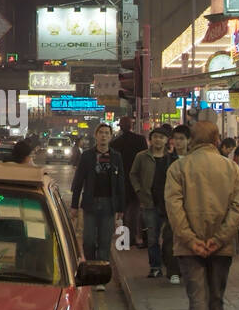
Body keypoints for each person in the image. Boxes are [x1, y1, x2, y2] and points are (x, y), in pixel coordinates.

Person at [163, 121, 239, 310]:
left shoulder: (178, 167)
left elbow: (174, 209)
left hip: (189, 249)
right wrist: (219, 239)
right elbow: (237, 209)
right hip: (220, 248)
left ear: (191, 140)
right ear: (217, 139)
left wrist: (191, 240)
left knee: (197, 300)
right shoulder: (232, 169)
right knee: (216, 299)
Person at [70, 123, 125, 289]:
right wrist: (74, 205)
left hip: (109, 204)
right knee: (88, 240)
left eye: (106, 133)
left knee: (104, 240)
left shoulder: (116, 156)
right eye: (100, 132)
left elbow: (121, 182)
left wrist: (121, 208)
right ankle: (92, 269)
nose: (103, 136)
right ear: (96, 135)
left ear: (110, 136)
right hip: (90, 203)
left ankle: (100, 278)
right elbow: (78, 181)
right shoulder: (87, 156)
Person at [130, 125, 175, 279]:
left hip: (168, 203)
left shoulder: (171, 158)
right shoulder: (142, 156)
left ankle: (169, 265)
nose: (158, 140)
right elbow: (133, 174)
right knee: (152, 237)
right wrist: (138, 191)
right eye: (155, 137)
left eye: (161, 137)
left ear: (166, 140)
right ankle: (155, 267)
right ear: (151, 139)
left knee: (169, 237)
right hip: (149, 203)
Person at [163, 125, 193, 284]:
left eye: (182, 138)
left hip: (192, 205)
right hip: (173, 205)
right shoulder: (167, 159)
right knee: (171, 237)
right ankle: (173, 270)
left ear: (189, 140)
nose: (179, 142)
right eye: (176, 138)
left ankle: (187, 270)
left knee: (189, 237)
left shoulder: (194, 159)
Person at [113, 117, 148, 247]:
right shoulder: (140, 140)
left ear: (121, 126)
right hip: (138, 179)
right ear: (131, 125)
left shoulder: (115, 143)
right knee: (135, 209)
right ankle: (134, 236)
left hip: (122, 181)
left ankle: (128, 238)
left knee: (126, 210)